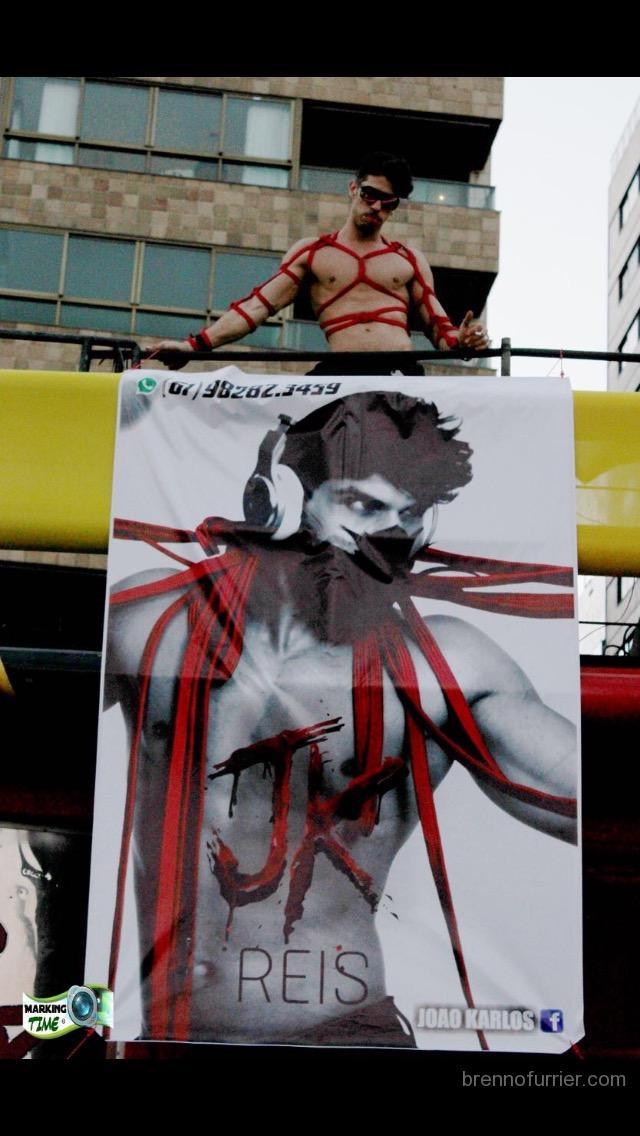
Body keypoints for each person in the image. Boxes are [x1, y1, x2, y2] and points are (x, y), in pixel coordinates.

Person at [104, 390, 576, 1049]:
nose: (391, 537)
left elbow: (586, 802)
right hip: (166, 1034)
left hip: (346, 1039)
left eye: (410, 515)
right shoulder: (150, 623)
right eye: (364, 506)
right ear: (279, 501)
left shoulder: (442, 664)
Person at [152, 153, 489, 376]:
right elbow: (256, 307)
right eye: (370, 195)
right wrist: (193, 345)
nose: (377, 207)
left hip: (400, 371)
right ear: (353, 188)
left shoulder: (408, 259)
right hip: (341, 372)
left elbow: (438, 327)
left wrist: (462, 342)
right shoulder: (313, 253)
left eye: (388, 203)